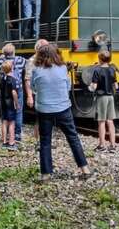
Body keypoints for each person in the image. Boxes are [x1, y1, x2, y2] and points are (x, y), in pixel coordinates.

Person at [31, 44, 91, 181]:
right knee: (73, 138)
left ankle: (45, 174)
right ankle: (85, 168)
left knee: (45, 141)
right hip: (63, 109)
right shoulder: (63, 68)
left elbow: (33, 87)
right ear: (56, 54)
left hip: (44, 110)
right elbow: (68, 86)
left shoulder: (36, 70)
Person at [0, 43, 27, 142]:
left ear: (3, 53)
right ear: (14, 52)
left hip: (4, 90)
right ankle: (17, 134)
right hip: (17, 89)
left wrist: (0, 57)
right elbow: (30, 63)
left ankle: (6, 136)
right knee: (18, 111)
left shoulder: (1, 60)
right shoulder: (19, 60)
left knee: (5, 112)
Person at [88, 50, 119, 152]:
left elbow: (94, 86)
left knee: (101, 122)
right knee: (110, 121)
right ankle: (113, 145)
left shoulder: (97, 70)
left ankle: (102, 145)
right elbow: (116, 86)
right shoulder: (112, 70)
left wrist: (90, 88)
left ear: (100, 59)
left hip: (101, 98)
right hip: (110, 97)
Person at [24, 39, 49, 149]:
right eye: (45, 47)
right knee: (40, 119)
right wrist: (29, 96)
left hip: (48, 93)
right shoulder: (31, 61)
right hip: (37, 93)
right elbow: (27, 79)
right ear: (39, 49)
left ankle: (47, 142)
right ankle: (38, 141)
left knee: (48, 119)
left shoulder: (48, 60)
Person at [0, 61, 21, 151]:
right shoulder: (13, 79)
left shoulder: (2, 79)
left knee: (4, 122)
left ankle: (4, 142)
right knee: (12, 123)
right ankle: (11, 143)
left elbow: (0, 92)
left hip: (3, 103)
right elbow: (14, 92)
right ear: (12, 68)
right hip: (10, 104)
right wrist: (16, 103)